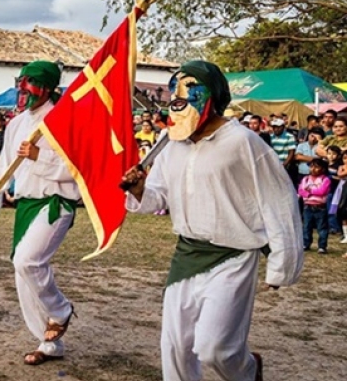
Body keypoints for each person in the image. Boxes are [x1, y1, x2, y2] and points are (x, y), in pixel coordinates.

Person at [121, 60, 303, 381]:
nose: (179, 99)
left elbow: (279, 200)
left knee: (215, 349)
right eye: (175, 91)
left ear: (211, 96)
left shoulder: (242, 143)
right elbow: (155, 199)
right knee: (176, 346)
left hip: (232, 256)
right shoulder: (171, 144)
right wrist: (138, 189)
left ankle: (247, 370)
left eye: (190, 90)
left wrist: (281, 264)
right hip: (186, 256)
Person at [0, 61, 79, 365]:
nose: (22, 89)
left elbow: (77, 169)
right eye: (21, 81)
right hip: (26, 204)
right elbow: (3, 168)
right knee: (23, 274)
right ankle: (48, 344)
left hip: (56, 203)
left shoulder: (65, 119)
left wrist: (38, 156)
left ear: (47, 88)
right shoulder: (16, 124)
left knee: (27, 261)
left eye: (30, 83)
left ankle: (60, 311)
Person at [298, 158, 331, 253]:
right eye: (311, 166)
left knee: (322, 227)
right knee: (306, 226)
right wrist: (308, 194)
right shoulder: (306, 179)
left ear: (323, 169)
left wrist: (310, 191)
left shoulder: (325, 179)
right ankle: (306, 244)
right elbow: (301, 190)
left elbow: (322, 191)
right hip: (307, 207)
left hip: (320, 207)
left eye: (316, 167)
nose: (313, 169)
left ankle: (322, 246)